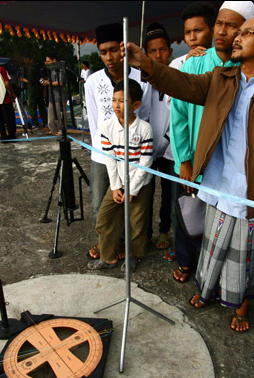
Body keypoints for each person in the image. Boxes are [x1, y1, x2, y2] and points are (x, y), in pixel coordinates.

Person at [125, 14, 254, 332]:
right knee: (213, 245)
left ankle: (241, 305)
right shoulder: (222, 78)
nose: (237, 37)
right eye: (238, 31)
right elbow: (184, 85)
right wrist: (148, 66)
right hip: (217, 182)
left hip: (251, 190)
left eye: (247, 32)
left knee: (243, 254)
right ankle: (206, 291)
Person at [169, 1, 254, 283]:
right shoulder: (194, 63)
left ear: (244, 32)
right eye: (219, 23)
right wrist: (184, 159)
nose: (222, 31)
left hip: (229, 166)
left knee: (222, 223)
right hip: (193, 161)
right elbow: (178, 114)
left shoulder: (248, 69)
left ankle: (213, 277)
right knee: (188, 214)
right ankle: (185, 262)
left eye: (231, 26)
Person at [84, 22, 151, 260]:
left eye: (114, 50)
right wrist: (103, 150)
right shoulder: (92, 82)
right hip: (102, 155)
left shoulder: (141, 77)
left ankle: (126, 247)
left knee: (133, 205)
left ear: (123, 49)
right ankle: (106, 245)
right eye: (103, 52)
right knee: (100, 204)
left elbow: (145, 115)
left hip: (133, 155)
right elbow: (94, 121)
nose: (109, 57)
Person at [87, 80, 153, 273]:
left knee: (137, 222)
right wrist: (115, 187)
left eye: (122, 101)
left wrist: (133, 190)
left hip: (140, 183)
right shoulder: (107, 127)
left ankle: (134, 255)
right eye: (114, 100)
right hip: (119, 182)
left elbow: (145, 163)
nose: (116, 105)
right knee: (104, 218)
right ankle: (108, 257)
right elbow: (110, 159)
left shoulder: (144, 129)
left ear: (136, 104)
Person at [143, 22, 174, 251]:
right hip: (146, 148)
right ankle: (145, 233)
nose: (158, 55)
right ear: (146, 54)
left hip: (171, 149)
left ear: (170, 52)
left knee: (169, 194)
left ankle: (164, 230)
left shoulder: (177, 77)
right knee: (145, 192)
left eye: (162, 49)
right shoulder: (141, 80)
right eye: (152, 51)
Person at [41, 52, 67, 136]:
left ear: (54, 60)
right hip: (52, 95)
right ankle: (53, 129)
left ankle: (61, 129)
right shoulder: (52, 70)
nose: (47, 63)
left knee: (59, 114)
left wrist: (48, 83)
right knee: (51, 114)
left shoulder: (60, 69)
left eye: (49, 61)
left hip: (59, 95)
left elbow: (61, 82)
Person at [21, 55, 47, 129]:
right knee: (42, 106)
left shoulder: (30, 68)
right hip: (40, 89)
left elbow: (31, 81)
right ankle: (45, 122)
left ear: (28, 59)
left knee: (32, 107)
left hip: (32, 90)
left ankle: (35, 123)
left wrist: (23, 80)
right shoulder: (38, 66)